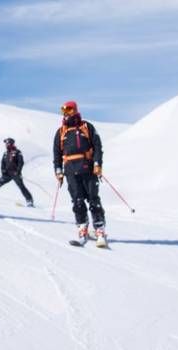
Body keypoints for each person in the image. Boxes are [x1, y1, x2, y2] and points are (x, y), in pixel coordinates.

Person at [52, 101, 107, 244]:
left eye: (68, 109)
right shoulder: (61, 132)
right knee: (77, 200)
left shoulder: (86, 127)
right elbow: (57, 153)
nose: (65, 112)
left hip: (87, 167)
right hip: (70, 169)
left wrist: (97, 164)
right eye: (63, 110)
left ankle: (99, 229)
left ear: (75, 110)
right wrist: (58, 170)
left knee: (93, 199)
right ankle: (82, 227)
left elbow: (97, 146)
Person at [0, 138, 34, 207]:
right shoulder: (5, 153)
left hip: (15, 173)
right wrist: (3, 170)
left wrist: (18, 171)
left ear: (11, 144)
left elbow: (21, 162)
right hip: (7, 174)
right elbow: (2, 163)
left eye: (7, 143)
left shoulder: (17, 152)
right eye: (6, 143)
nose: (6, 145)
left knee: (21, 186)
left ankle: (29, 201)